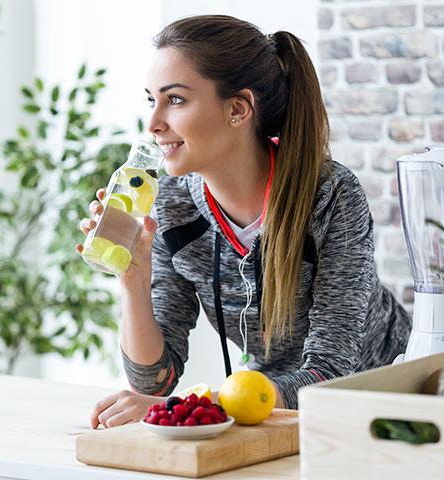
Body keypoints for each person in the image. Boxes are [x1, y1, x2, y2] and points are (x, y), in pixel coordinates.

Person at [77, 14, 412, 429]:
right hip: (272, 414)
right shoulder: (173, 206)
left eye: (175, 99)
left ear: (238, 109)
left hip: (391, 406)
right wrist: (133, 277)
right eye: (151, 100)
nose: (152, 123)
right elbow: (155, 381)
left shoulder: (329, 195)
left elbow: (332, 373)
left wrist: (197, 406)